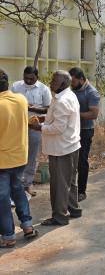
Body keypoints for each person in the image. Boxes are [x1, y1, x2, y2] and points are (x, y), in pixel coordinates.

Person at [29, 71, 82, 226]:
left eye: (54, 80)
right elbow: (57, 118)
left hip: (61, 149)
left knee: (59, 184)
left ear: (64, 83)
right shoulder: (67, 96)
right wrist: (43, 119)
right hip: (71, 146)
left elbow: (58, 128)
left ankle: (59, 217)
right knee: (70, 182)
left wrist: (39, 127)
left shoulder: (62, 100)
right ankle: (74, 209)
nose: (51, 83)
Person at [0, 69, 38, 248]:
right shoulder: (21, 100)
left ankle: (8, 236)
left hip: (2, 161)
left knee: (2, 198)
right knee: (18, 190)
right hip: (20, 157)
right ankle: (28, 226)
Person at [11, 66, 52, 197]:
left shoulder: (44, 89)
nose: (28, 80)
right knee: (16, 153)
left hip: (35, 126)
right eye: (26, 78)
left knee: (32, 156)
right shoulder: (16, 86)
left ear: (37, 77)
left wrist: (32, 107)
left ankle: (27, 184)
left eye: (31, 78)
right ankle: (15, 184)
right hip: (17, 126)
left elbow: (48, 108)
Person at [68, 67, 100, 202]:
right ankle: (71, 189)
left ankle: (81, 191)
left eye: (74, 82)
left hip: (85, 131)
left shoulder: (91, 92)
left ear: (81, 79)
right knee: (70, 161)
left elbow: (93, 114)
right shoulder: (72, 90)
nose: (72, 85)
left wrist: (75, 114)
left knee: (81, 161)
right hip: (71, 129)